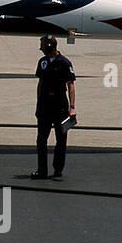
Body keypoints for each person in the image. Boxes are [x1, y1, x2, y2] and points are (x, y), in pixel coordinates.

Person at [33, 34, 76, 179]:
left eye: (43, 45)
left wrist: (72, 106)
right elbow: (40, 84)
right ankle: (42, 170)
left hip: (59, 105)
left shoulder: (64, 63)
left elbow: (70, 85)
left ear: (49, 46)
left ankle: (58, 168)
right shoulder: (42, 62)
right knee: (41, 140)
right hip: (45, 105)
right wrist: (38, 103)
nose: (40, 48)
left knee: (61, 139)